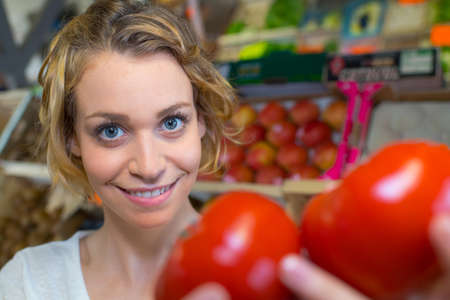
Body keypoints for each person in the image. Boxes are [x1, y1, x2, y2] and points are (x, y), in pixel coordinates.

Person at [1, 1, 450, 300]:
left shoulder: (288, 274)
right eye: (111, 131)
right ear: (71, 141)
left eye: (172, 122)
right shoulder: (26, 284)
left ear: (203, 124)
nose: (151, 165)